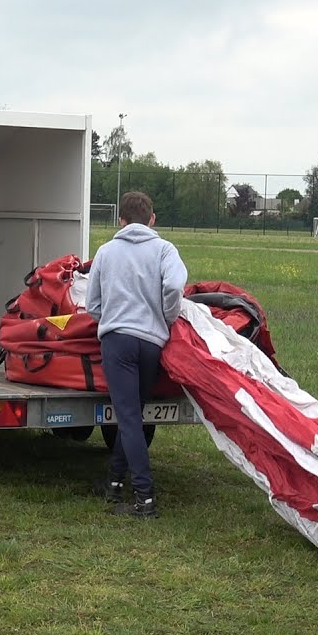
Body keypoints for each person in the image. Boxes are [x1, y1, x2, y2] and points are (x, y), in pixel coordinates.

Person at [86, 191, 188, 519]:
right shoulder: (164, 250)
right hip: (152, 342)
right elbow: (174, 288)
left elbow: (92, 304)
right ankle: (114, 482)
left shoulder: (106, 251)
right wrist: (166, 318)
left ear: (121, 220)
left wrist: (111, 319)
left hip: (118, 341)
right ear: (152, 219)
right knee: (135, 415)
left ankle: (145, 498)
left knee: (128, 417)